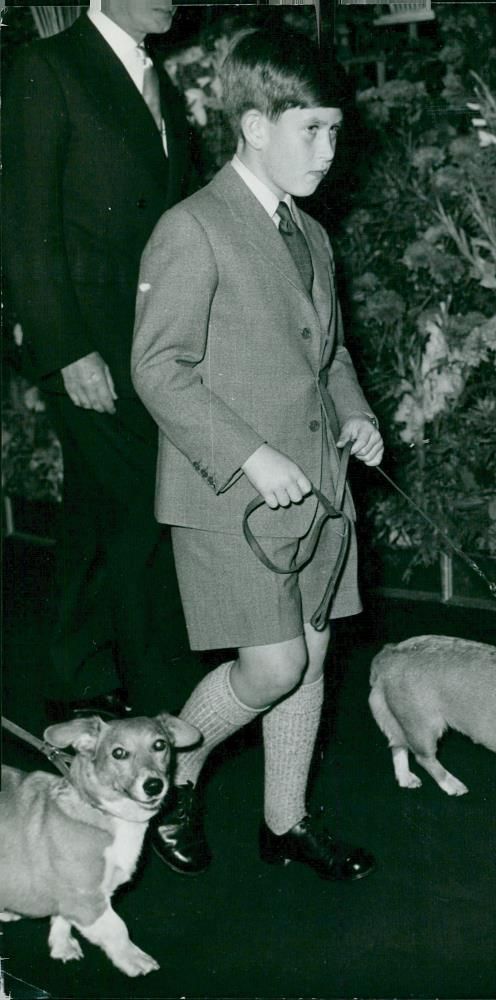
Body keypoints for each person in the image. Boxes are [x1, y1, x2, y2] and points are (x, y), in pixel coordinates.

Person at [131, 28, 384, 880]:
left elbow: (332, 352)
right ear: (251, 124)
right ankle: (173, 772)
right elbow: (157, 370)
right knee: (271, 664)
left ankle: (284, 822)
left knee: (308, 655)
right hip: (227, 497)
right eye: (310, 129)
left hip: (318, 488)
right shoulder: (193, 227)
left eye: (335, 131)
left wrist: (355, 414)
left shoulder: (310, 234)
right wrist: (249, 456)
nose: (327, 149)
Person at [3, 0, 199, 718]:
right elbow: (24, 225)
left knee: (96, 513)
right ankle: (162, 708)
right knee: (149, 508)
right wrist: (67, 351)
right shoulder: (48, 68)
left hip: (147, 345)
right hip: (88, 347)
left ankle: (75, 678)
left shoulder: (158, 82)